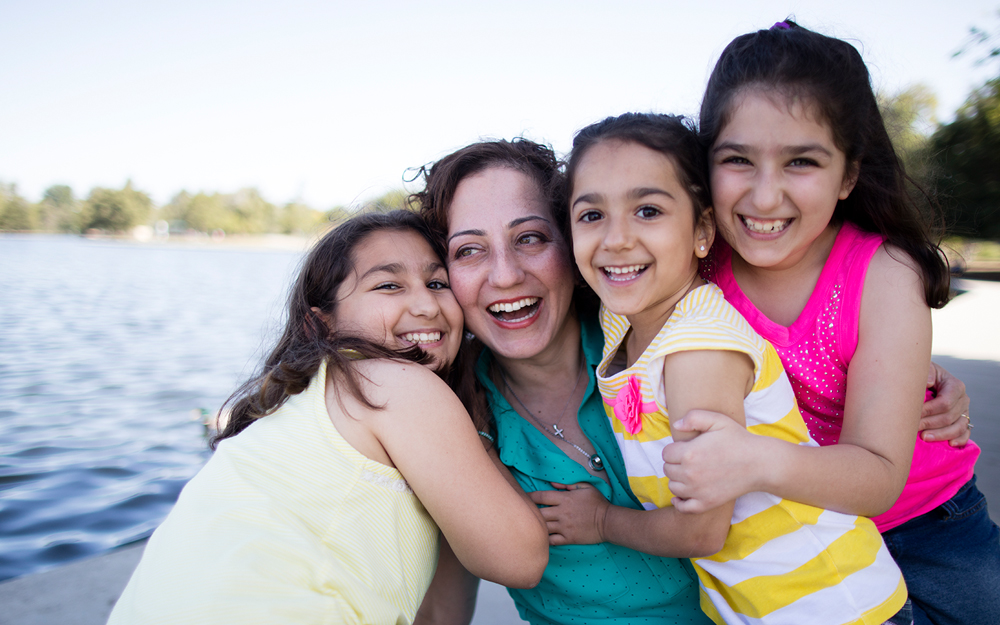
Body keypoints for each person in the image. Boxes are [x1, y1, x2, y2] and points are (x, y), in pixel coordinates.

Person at [658, 21, 998, 625]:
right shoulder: (693, 263)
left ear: (847, 175)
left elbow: (878, 476)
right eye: (738, 159)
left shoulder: (884, 272)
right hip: (793, 539)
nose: (765, 197)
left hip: (927, 529)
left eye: (801, 162)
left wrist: (752, 459)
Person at [107, 211, 548, 625]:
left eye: (437, 283)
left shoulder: (300, 398)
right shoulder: (392, 384)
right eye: (388, 287)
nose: (427, 307)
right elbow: (519, 559)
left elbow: (435, 617)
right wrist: (478, 427)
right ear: (320, 325)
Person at [562, 111, 908, 624]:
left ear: (703, 230)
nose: (615, 239)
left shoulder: (697, 350)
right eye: (592, 216)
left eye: (648, 211)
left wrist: (601, 520)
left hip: (833, 606)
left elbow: (701, 531)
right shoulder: (623, 318)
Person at [413, 139, 711, 625]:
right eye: (469, 251)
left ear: (573, 246)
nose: (506, 275)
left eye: (530, 238)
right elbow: (444, 608)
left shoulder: (665, 339)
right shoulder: (452, 416)